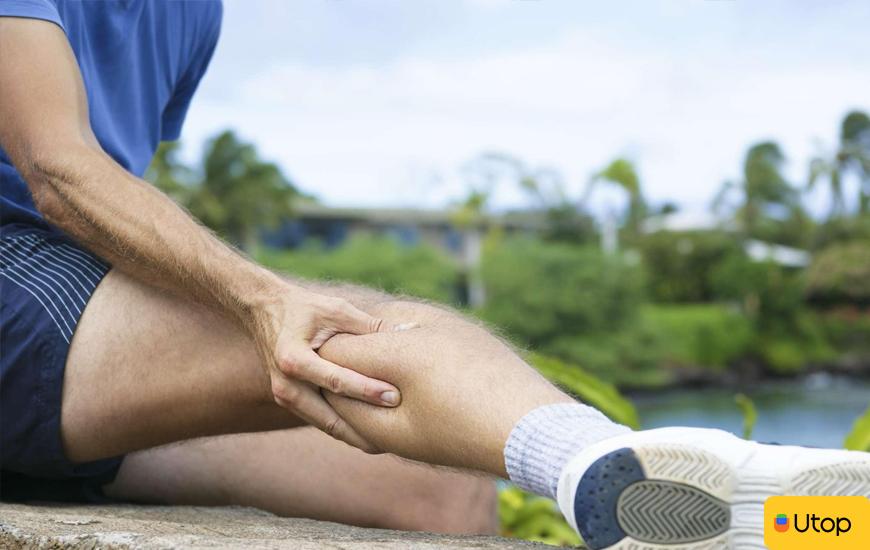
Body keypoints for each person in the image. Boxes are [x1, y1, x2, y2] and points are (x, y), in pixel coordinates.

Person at [1, 2, 867, 548]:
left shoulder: (194, 10)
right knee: (363, 340)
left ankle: (790, 517)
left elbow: (123, 191)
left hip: (61, 327)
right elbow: (61, 171)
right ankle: (613, 467)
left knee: (436, 482)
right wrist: (262, 299)